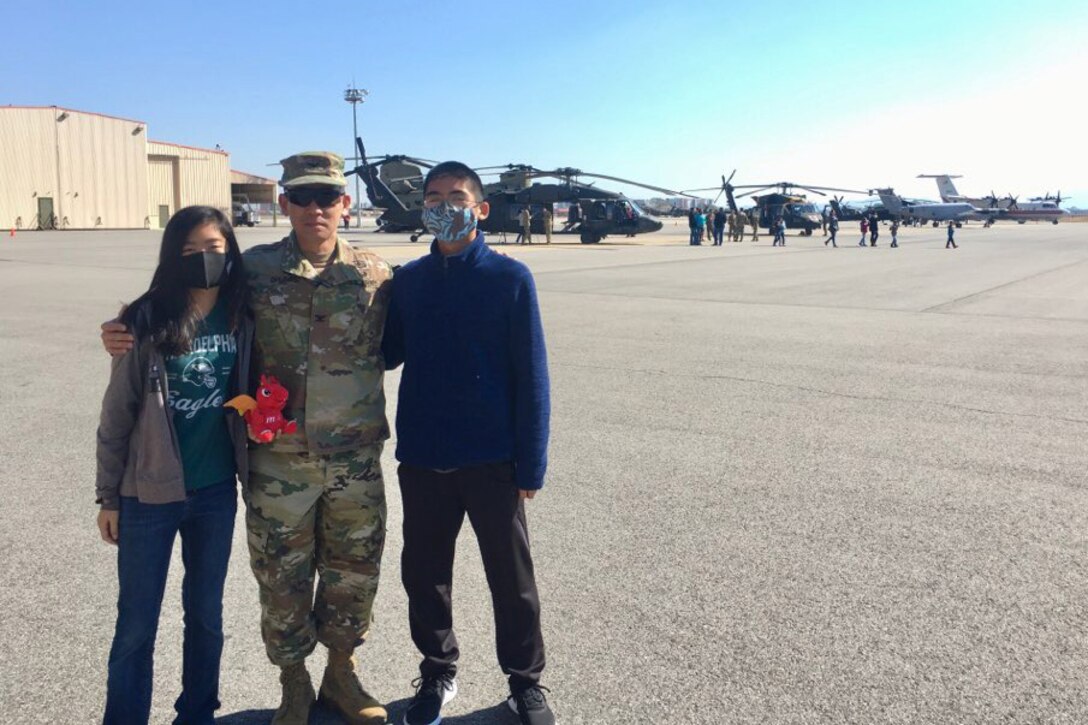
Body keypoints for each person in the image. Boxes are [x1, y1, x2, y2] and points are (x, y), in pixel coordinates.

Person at [101, 152, 394, 725]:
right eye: (303, 197)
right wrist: (122, 329)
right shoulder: (251, 272)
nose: (316, 208)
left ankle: (341, 672)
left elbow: (411, 342)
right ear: (284, 203)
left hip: (353, 463)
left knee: (354, 573)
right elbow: (182, 290)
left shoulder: (378, 276)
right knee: (281, 580)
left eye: (328, 197)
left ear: (345, 203)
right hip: (277, 464)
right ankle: (294, 683)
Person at [382, 162, 555, 725]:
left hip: (493, 458)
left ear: (480, 208)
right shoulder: (408, 281)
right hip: (425, 456)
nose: (443, 206)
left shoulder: (510, 279)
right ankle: (437, 671)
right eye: (433, 197)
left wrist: (531, 463)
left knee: (511, 578)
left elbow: (532, 375)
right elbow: (381, 352)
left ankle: (524, 684)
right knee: (425, 573)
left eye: (456, 197)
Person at [96, 205, 253, 725]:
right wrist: (108, 496)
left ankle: (197, 713)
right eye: (189, 251)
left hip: (214, 492)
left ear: (230, 251)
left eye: (213, 248)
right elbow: (116, 415)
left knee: (206, 617)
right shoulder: (145, 318)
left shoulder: (242, 312)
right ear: (171, 257)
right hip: (148, 496)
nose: (204, 258)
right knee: (137, 624)